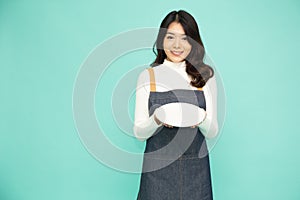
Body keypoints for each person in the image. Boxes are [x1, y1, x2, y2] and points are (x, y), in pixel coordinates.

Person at [133, 10, 219, 200]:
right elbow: (139, 133)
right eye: (170, 37)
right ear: (161, 39)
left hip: (196, 170)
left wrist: (199, 117)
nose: (177, 45)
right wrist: (157, 118)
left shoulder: (205, 77)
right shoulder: (148, 76)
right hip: (157, 172)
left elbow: (212, 131)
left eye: (185, 38)